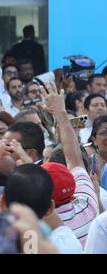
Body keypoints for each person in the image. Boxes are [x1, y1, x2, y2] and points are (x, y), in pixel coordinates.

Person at [40, 82, 99, 246]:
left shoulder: (34, 231)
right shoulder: (87, 205)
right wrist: (61, 111)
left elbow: (73, 158)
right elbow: (74, 157)